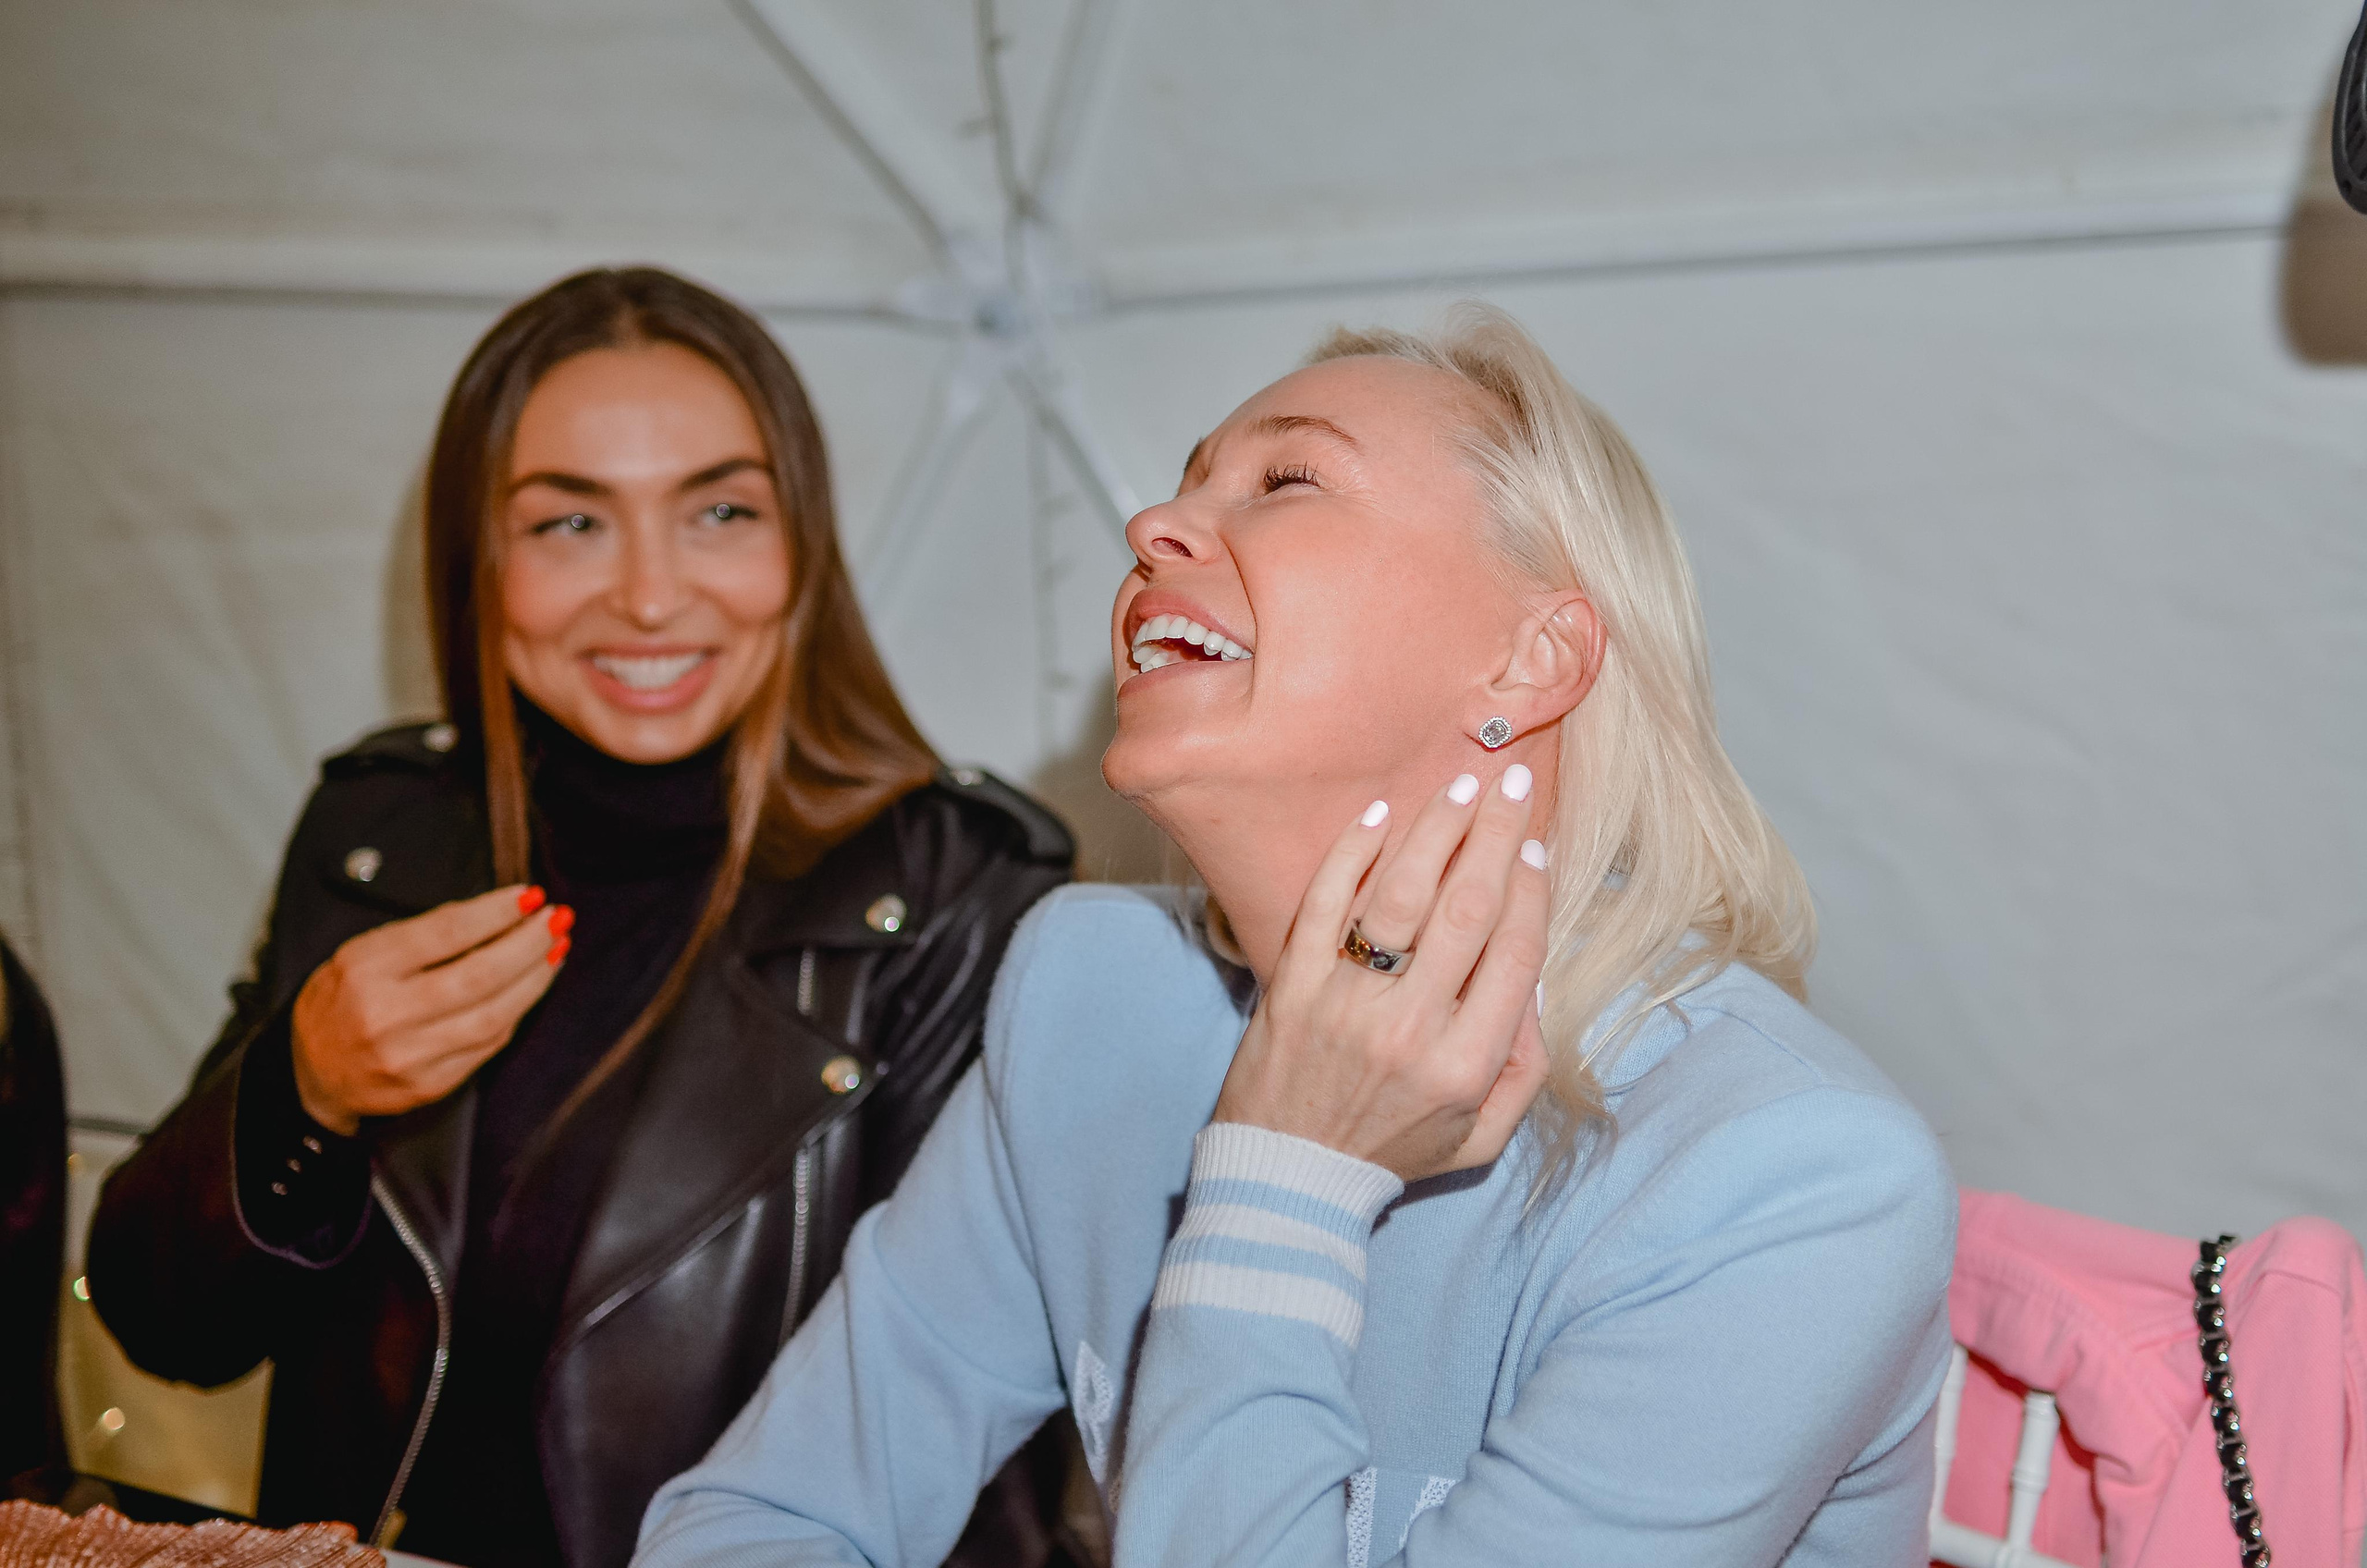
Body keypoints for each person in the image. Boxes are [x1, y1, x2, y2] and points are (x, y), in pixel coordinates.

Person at [636, 305, 1956, 1566]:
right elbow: (766, 1518)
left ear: (1531, 658)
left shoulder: (1790, 1178)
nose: (1154, 524)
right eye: (1187, 482)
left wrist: (1287, 1179)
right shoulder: (1094, 995)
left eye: (1289, 482)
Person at [85, 268, 1074, 1568]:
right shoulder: (382, 834)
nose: (653, 597)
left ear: (802, 546)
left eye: (718, 510)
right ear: (477, 558)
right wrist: (303, 1088)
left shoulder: (953, 894)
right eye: (570, 526)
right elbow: (170, 1329)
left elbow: (983, 1480)